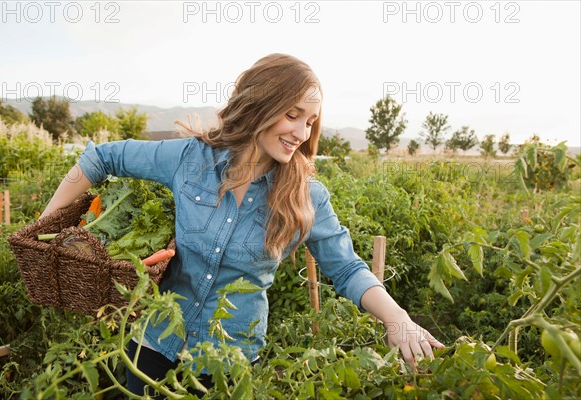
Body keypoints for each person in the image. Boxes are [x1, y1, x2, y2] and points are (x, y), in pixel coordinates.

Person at [40, 53, 444, 396]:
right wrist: (45, 230)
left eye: (310, 122)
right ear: (260, 105)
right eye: (292, 115)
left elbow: (347, 267)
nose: (302, 133)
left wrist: (398, 318)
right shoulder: (190, 159)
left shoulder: (306, 196)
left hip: (226, 364)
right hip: (153, 346)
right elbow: (101, 158)